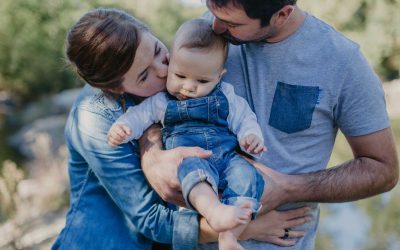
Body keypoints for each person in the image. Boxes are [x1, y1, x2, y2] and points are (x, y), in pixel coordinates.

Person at [138, 0, 399, 249]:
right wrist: (151, 156)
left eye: (232, 23)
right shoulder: (204, 33)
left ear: (282, 14)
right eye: (212, 11)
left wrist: (288, 189)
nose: (215, 26)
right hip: (193, 242)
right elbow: (156, 99)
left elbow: (383, 170)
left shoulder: (343, 63)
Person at [53, 7, 311, 250]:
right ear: (115, 89)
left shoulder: (180, 73)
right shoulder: (95, 118)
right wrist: (246, 228)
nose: (165, 71)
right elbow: (150, 219)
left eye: (157, 50)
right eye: (144, 75)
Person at [108, 18, 266, 250]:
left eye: (202, 80)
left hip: (227, 156)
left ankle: (229, 236)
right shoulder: (161, 101)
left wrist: (251, 136)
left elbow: (244, 118)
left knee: (248, 177)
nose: (189, 86)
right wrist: (123, 128)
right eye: (180, 76)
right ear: (171, 64)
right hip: (191, 158)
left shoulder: (226, 95)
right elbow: (138, 116)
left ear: (219, 76)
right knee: (195, 175)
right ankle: (214, 211)